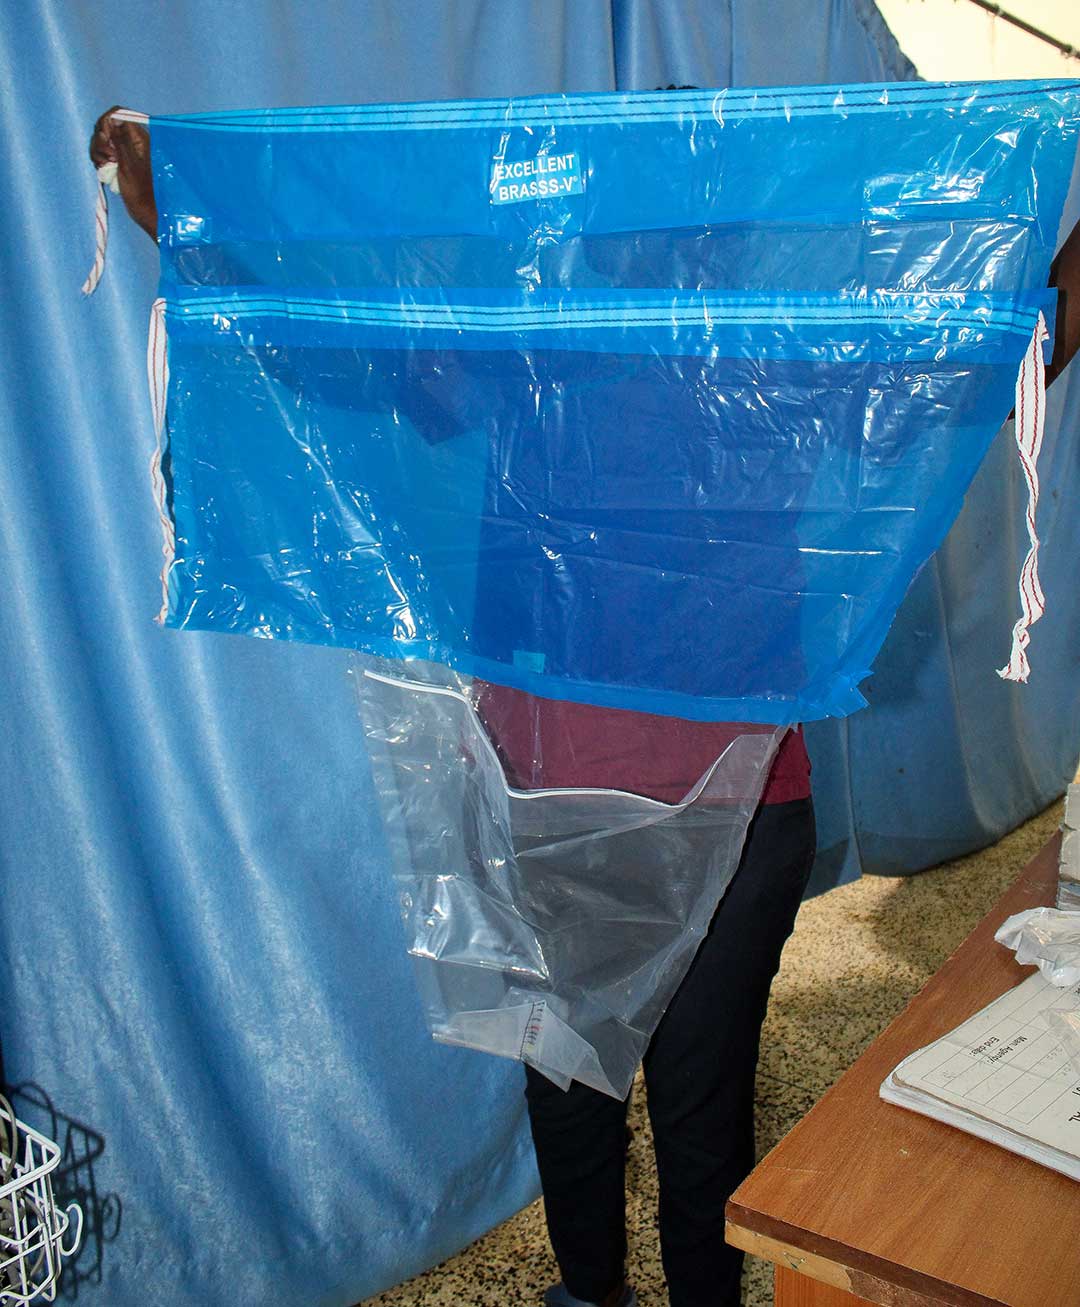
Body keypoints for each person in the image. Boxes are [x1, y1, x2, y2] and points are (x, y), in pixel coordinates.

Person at [90, 103, 1080, 1307]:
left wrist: (170, 207)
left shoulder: (763, 363)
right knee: (591, 1090)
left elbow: (1004, 344)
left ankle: (656, 1295)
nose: (654, 251)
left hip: (709, 817)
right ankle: (594, 1293)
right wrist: (169, 201)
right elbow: (321, 338)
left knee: (663, 1100)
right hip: (574, 807)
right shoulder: (555, 360)